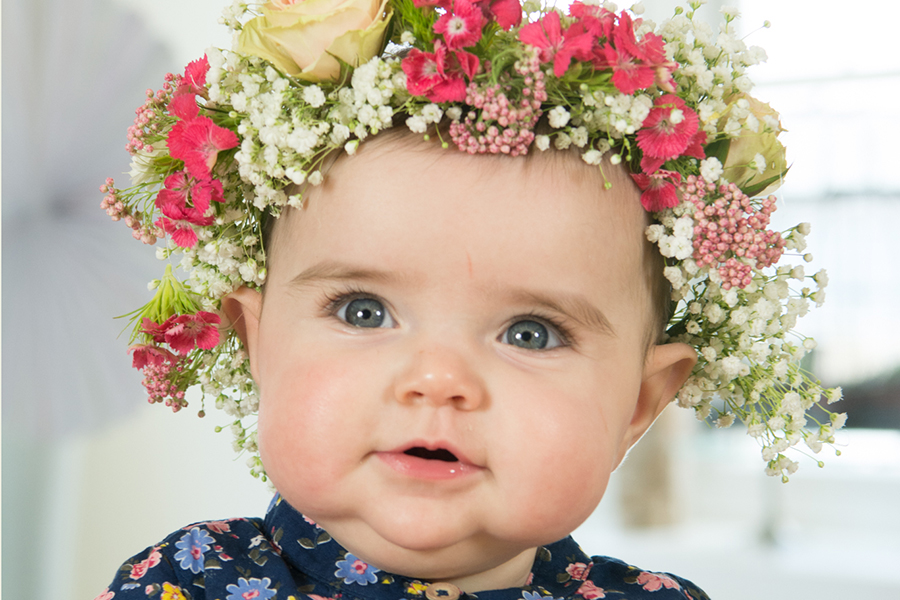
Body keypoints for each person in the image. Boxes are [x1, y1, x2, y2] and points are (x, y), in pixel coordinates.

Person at [96, 1, 844, 598]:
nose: (438, 380)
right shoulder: (184, 581)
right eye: (363, 311)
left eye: (530, 333)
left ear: (639, 405)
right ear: (259, 345)